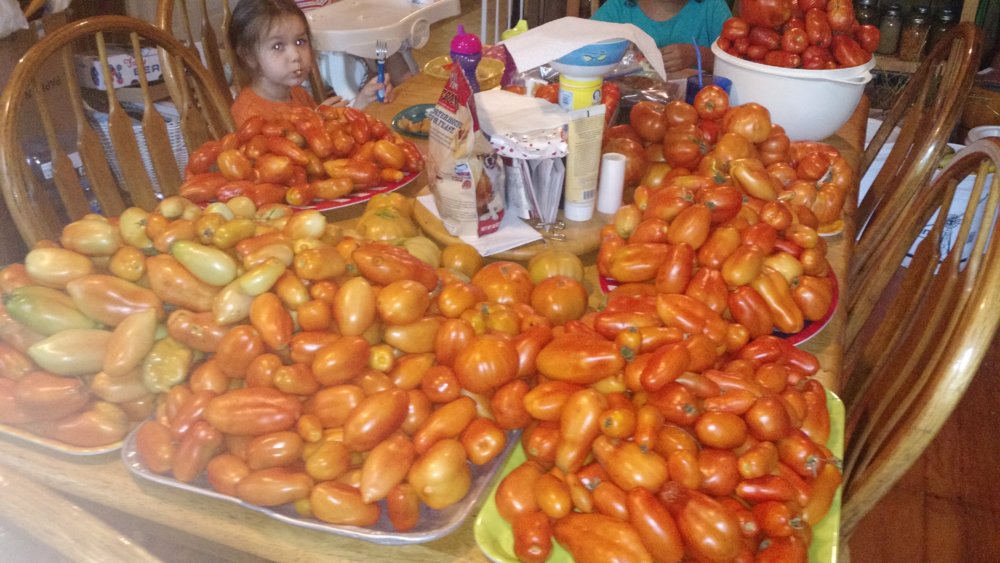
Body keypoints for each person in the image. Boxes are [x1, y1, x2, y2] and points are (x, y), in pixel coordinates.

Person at [228, 0, 391, 127]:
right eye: (277, 46)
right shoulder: (248, 114)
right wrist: (315, 122)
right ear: (249, 57)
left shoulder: (298, 94)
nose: (295, 56)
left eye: (300, 42)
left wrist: (361, 102)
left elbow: (325, 141)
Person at [592, 0, 731, 72]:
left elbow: (737, 64)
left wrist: (700, 56)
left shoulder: (713, 7)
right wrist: (624, 56)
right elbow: (585, 49)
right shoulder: (618, 8)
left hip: (699, 111)